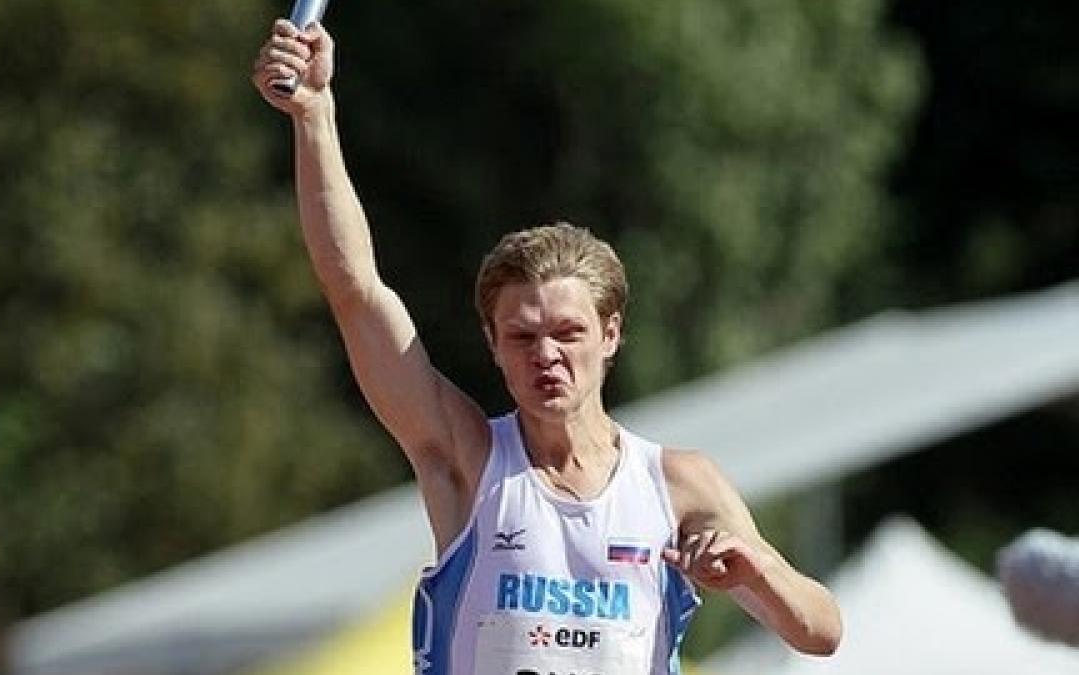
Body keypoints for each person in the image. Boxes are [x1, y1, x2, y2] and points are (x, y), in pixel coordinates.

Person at [252, 18, 842, 675]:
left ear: (610, 334)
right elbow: (355, 289)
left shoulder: (677, 483)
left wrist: (756, 572)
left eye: (567, 333)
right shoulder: (467, 458)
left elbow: (820, 630)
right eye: (523, 336)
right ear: (493, 344)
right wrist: (314, 114)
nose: (546, 355)